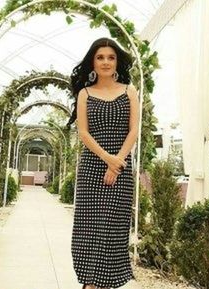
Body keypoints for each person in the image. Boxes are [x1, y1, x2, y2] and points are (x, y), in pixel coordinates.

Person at [69, 37, 140, 289]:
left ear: (117, 61)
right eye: (100, 57)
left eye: (111, 57)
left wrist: (117, 163)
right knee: (89, 233)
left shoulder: (129, 91)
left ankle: (99, 284)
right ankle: (90, 283)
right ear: (93, 62)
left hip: (120, 173)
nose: (106, 62)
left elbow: (133, 130)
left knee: (112, 233)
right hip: (92, 170)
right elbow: (84, 134)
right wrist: (109, 160)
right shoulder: (85, 94)